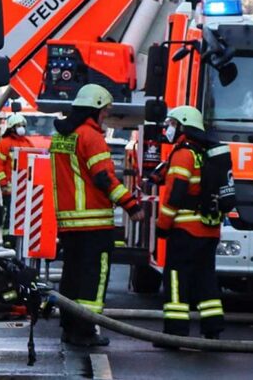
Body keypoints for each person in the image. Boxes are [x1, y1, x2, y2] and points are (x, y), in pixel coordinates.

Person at [50, 84, 144, 347]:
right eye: (104, 111)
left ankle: (69, 327)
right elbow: (104, 178)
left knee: (71, 277)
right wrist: (131, 205)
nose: (105, 116)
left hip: (69, 224)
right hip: (94, 223)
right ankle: (85, 330)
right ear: (95, 109)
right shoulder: (90, 136)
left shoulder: (62, 137)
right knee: (93, 279)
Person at [156, 105, 225, 340]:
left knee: (176, 278)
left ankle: (175, 333)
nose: (168, 128)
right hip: (209, 230)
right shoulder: (204, 152)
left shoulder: (184, 154)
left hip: (185, 231)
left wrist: (162, 226)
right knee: (206, 278)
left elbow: (174, 196)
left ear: (184, 125)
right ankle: (212, 328)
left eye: (173, 123)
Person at [0, 113, 34, 243]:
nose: (21, 128)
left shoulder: (27, 143)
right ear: (12, 127)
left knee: (26, 215)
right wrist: (4, 183)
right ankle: (8, 239)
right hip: (10, 189)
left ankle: (24, 239)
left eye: (23, 125)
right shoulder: (4, 144)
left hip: (26, 188)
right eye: (19, 125)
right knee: (10, 214)